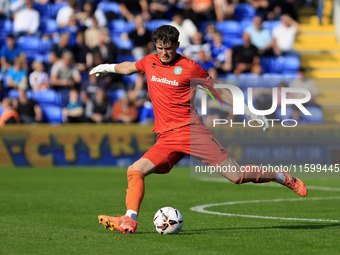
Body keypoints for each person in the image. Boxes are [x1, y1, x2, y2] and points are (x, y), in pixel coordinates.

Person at [90, 25, 307, 234]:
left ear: (177, 44)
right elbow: (129, 67)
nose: (164, 53)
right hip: (167, 138)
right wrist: (107, 67)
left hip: (192, 132)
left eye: (168, 48)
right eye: (160, 48)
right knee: (135, 170)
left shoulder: (190, 67)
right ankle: (129, 219)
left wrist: (249, 112)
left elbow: (220, 91)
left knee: (237, 176)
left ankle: (281, 177)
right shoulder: (150, 62)